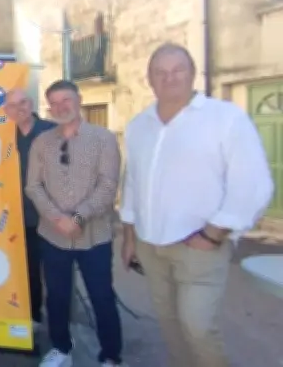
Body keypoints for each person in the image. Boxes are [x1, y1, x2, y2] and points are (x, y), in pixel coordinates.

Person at [120, 43, 273, 367]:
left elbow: (253, 184)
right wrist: (129, 237)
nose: (169, 78)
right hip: (150, 245)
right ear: (150, 79)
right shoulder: (139, 125)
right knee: (169, 325)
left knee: (197, 326)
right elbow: (133, 181)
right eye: (160, 72)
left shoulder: (225, 118)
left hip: (200, 246)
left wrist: (213, 233)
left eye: (178, 70)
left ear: (192, 74)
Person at [25, 80, 123, 367]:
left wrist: (79, 217)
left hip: (94, 236)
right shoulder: (42, 142)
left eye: (65, 100)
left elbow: (108, 186)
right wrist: (57, 217)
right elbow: (33, 186)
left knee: (101, 296)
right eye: (54, 103)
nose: (60, 107)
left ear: (78, 100)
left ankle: (111, 355)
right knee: (56, 296)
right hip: (53, 235)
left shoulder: (103, 139)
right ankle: (61, 348)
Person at [4, 87, 56, 330]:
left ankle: (60, 330)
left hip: (52, 217)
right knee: (29, 272)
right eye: (12, 106)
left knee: (57, 276)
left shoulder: (52, 132)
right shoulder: (5, 136)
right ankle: (34, 318)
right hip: (21, 218)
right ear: (6, 111)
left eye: (23, 102)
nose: (19, 109)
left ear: (31, 103)